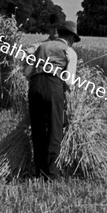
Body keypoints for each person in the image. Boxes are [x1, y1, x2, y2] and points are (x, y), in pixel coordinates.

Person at [25, 20, 80, 180]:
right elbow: (69, 81)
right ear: (69, 37)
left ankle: (39, 171)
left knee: (38, 130)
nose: (73, 43)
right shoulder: (69, 52)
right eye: (73, 40)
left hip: (34, 87)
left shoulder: (41, 47)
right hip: (53, 86)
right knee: (55, 131)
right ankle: (51, 174)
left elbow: (27, 71)